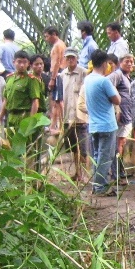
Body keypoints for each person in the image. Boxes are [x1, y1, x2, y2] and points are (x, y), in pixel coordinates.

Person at [84, 50, 121, 196]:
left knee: (98, 156)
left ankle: (97, 184)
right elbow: (117, 100)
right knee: (105, 157)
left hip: (94, 124)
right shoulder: (104, 81)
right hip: (106, 124)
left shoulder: (88, 79)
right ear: (105, 63)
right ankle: (100, 187)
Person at [0, 50, 44, 160]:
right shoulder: (9, 78)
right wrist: (0, 118)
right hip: (11, 117)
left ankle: (28, 169)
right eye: (19, 62)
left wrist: (31, 121)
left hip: (24, 116)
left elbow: (35, 101)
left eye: (24, 62)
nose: (22, 65)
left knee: (26, 148)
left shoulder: (31, 80)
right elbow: (6, 100)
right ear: (14, 62)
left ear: (28, 64)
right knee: (11, 146)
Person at [57, 48, 90, 181]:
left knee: (83, 148)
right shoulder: (62, 75)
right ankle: (78, 173)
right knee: (74, 148)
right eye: (68, 58)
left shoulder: (84, 73)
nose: (70, 60)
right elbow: (59, 98)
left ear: (77, 59)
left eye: (72, 57)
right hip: (67, 117)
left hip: (81, 117)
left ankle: (85, 174)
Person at [105, 53, 133, 185]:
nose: (129, 64)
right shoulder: (117, 74)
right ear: (120, 63)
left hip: (127, 115)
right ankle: (116, 174)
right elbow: (107, 86)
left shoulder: (126, 77)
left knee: (122, 143)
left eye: (131, 61)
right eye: (127, 61)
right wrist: (117, 108)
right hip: (120, 115)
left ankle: (120, 172)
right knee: (118, 145)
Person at [43, 26, 68, 131]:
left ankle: (61, 125)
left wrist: (53, 78)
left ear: (53, 34)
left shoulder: (58, 45)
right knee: (56, 101)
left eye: (47, 36)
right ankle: (53, 125)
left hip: (58, 73)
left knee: (58, 101)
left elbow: (57, 62)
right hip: (60, 72)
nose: (46, 39)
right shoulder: (61, 44)